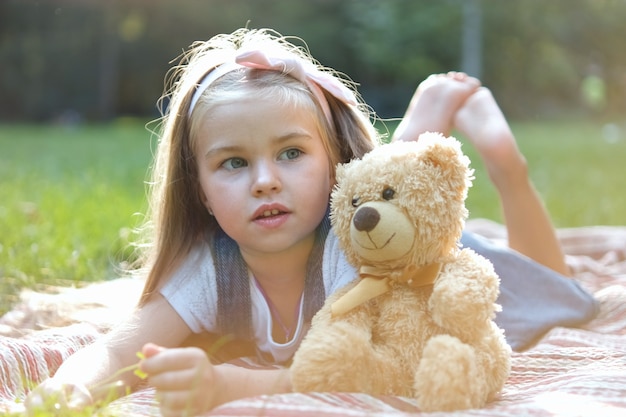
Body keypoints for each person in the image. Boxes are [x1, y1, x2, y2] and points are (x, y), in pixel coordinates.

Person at [25, 28, 590, 416]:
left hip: (418, 270)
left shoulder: (353, 261)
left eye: (291, 153)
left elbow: (359, 370)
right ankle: (412, 140)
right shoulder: (211, 269)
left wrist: (226, 385)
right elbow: (119, 351)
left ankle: (501, 165)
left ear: (333, 162)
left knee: (558, 295)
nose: (265, 181)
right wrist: (63, 393)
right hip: (378, 221)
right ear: (199, 190)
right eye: (234, 163)